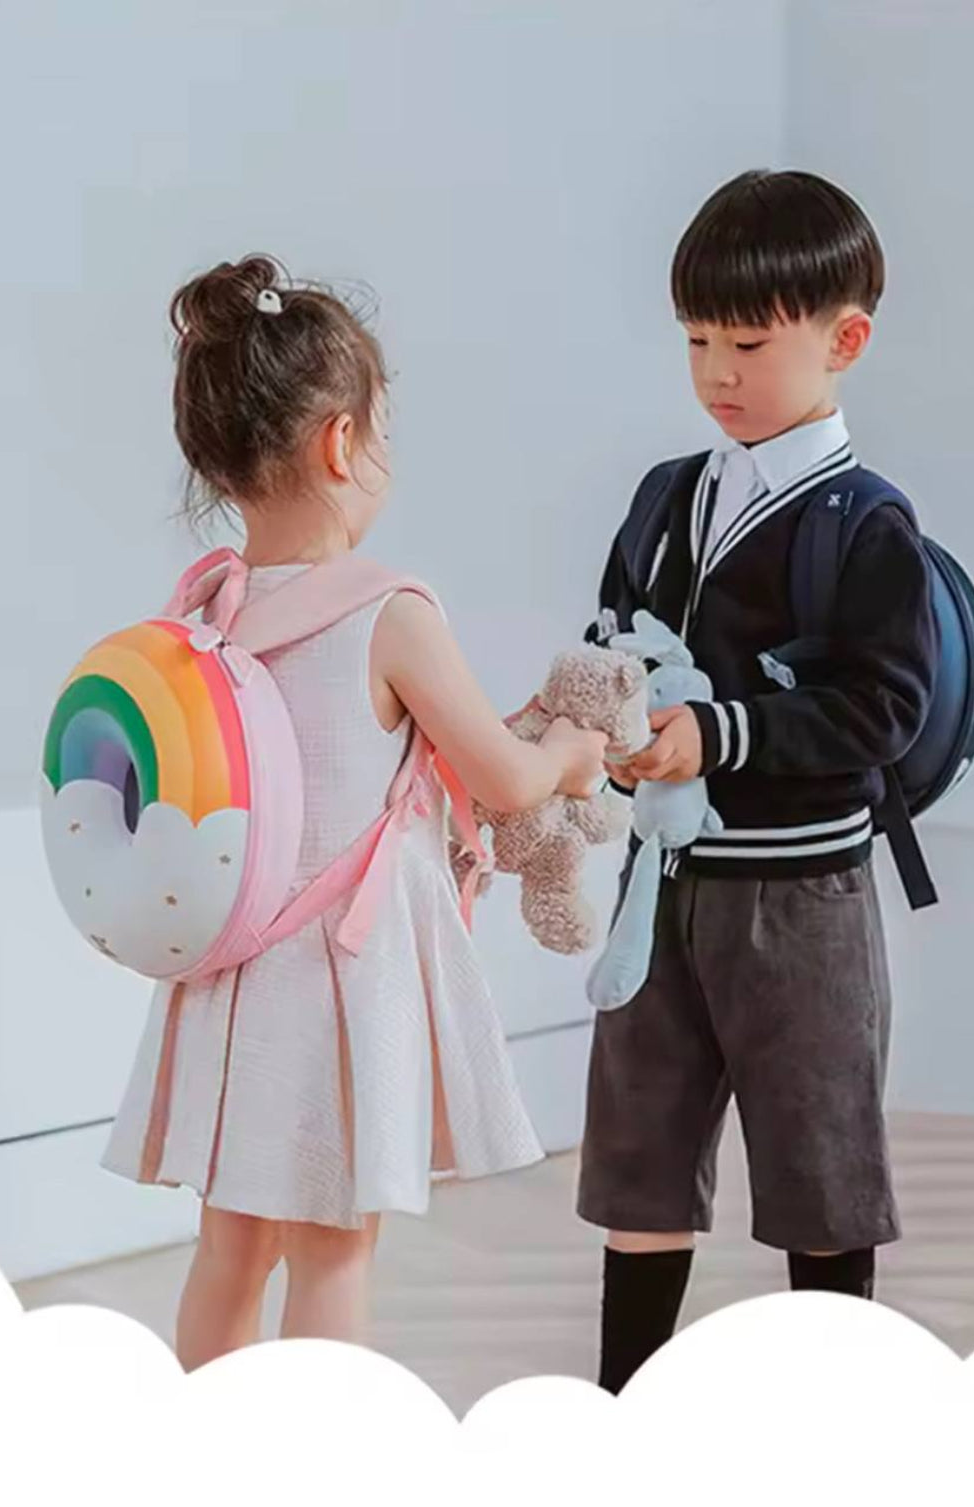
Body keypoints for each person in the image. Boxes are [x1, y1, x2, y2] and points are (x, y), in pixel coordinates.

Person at [103, 255, 607, 1369]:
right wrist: (572, 753)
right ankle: (320, 1449)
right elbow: (504, 780)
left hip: (230, 977)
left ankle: (202, 1440)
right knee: (336, 1249)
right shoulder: (390, 613)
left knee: (230, 1246)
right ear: (342, 442)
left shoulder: (205, 615)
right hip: (338, 984)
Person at [577, 170, 939, 1393]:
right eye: (696, 340)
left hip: (802, 900)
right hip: (660, 891)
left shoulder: (866, 521)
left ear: (845, 342)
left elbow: (884, 709)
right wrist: (600, 725)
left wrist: (716, 733)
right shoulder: (666, 495)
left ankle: (834, 1421)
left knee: (820, 1173)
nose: (715, 372)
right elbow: (612, 645)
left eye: (746, 344)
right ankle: (627, 1409)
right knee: (637, 1168)